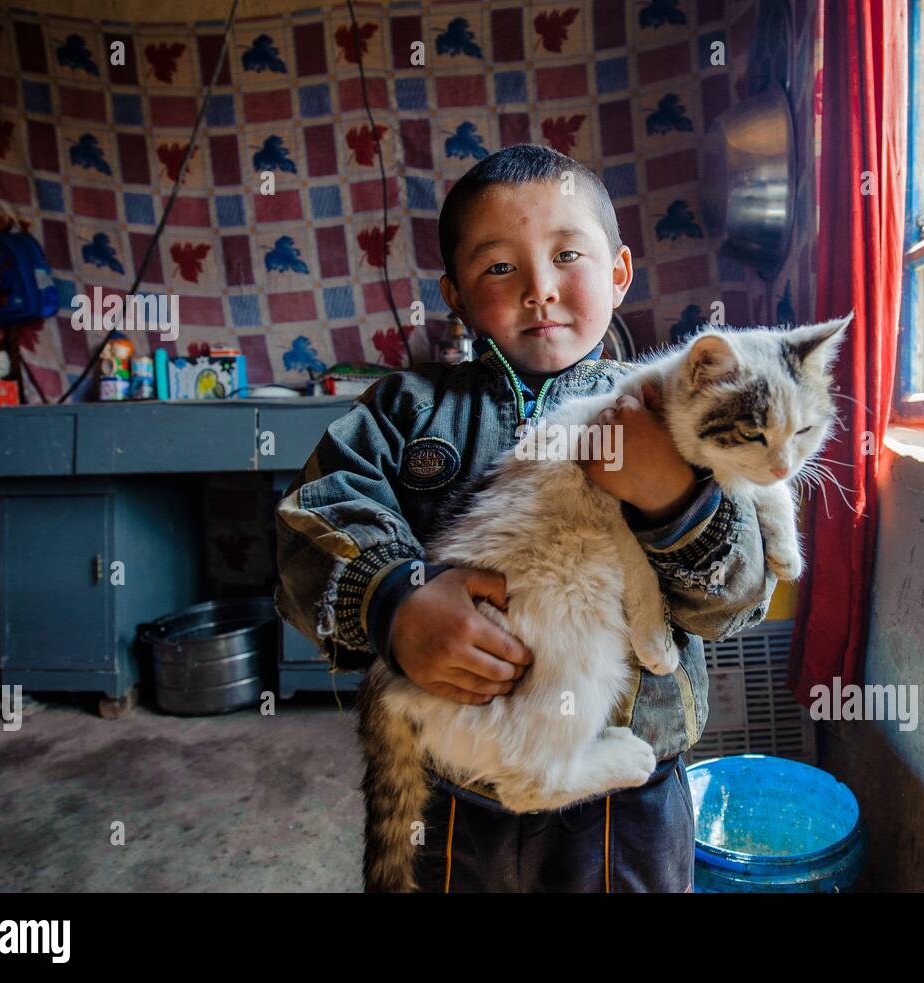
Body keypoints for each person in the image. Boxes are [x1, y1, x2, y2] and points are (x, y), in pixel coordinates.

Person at [275, 143, 776, 892]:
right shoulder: (407, 408)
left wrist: (673, 498)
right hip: (452, 783)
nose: (540, 289)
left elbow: (735, 601)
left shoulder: (680, 408)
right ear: (457, 294)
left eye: (567, 254)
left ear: (618, 272)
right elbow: (307, 527)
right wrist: (394, 597)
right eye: (500, 267)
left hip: (624, 790)